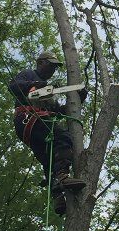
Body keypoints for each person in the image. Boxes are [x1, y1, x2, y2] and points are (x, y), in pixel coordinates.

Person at [9, 51, 86, 214]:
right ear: (40, 63)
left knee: (49, 159)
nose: (52, 70)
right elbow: (13, 86)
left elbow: (61, 111)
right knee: (62, 137)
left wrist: (79, 99)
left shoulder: (48, 95)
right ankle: (62, 177)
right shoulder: (29, 74)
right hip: (27, 118)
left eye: (54, 68)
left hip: (35, 125)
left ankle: (57, 196)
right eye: (50, 65)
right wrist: (36, 84)